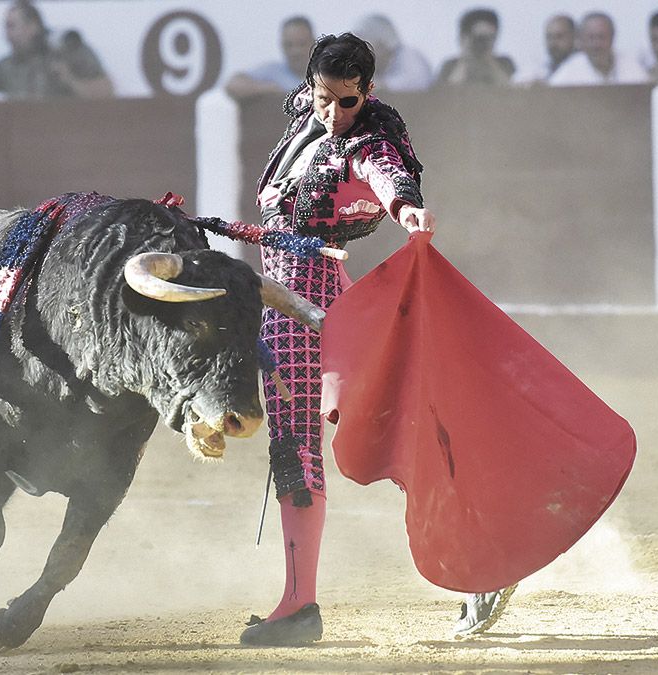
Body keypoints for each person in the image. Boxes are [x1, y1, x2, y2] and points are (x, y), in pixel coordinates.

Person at [240, 32, 437, 647]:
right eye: (323, 98)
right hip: (302, 291)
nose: (333, 114)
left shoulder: (367, 141)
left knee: (296, 441)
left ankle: (300, 607)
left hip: (307, 301)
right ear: (310, 87)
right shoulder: (309, 113)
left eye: (347, 102)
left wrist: (406, 209)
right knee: (378, 422)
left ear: (368, 93)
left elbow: (385, 174)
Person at [0, 0, 113, 99]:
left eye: (11, 26)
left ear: (32, 27)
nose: (7, 34)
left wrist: (70, 81)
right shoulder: (7, 65)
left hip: (70, 126)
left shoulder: (70, 50)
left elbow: (107, 91)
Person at [224, 16, 315, 100]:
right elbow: (232, 85)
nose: (295, 51)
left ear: (314, 43)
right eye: (289, 45)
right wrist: (269, 89)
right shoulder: (273, 72)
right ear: (282, 46)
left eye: (301, 44)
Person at [549, 12, 648, 86]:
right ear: (581, 40)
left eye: (601, 37)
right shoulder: (567, 73)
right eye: (591, 38)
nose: (596, 44)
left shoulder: (631, 66)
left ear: (612, 37)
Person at [353, 14, 433, 93]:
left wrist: (383, 86)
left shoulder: (407, 55)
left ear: (383, 42)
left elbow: (417, 81)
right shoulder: (376, 66)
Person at [436, 8, 516, 86]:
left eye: (488, 38)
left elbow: (508, 88)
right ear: (463, 37)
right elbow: (447, 92)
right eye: (478, 38)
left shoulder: (504, 63)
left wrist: (488, 60)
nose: (481, 43)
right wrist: (466, 59)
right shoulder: (450, 66)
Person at [518, 14, 576, 84]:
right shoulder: (540, 67)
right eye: (549, 37)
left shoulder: (582, 66)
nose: (553, 43)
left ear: (574, 38)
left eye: (559, 37)